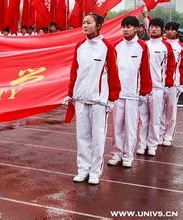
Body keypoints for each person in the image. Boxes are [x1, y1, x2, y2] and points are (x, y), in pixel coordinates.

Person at [64, 13, 120, 185]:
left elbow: (113, 75)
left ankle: (95, 172)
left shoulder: (107, 47)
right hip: (81, 99)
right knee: (82, 138)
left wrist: (112, 99)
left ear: (98, 25)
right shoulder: (80, 46)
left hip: (98, 102)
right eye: (83, 23)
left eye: (89, 22)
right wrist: (71, 93)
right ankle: (82, 169)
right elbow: (75, 72)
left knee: (97, 138)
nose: (85, 25)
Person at [107, 16, 152, 168]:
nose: (125, 29)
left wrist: (145, 89)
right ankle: (117, 154)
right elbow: (111, 70)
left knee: (131, 127)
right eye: (123, 26)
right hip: (118, 94)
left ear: (136, 28)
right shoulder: (116, 45)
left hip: (133, 94)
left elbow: (145, 69)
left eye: (129, 26)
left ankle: (128, 155)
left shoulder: (142, 46)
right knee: (117, 126)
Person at [137, 18, 176, 156]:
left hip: (158, 88)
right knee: (142, 118)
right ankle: (142, 144)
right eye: (151, 27)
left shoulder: (166, 46)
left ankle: (152, 144)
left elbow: (171, 67)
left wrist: (168, 84)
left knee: (155, 118)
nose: (153, 29)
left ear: (161, 30)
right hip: (143, 89)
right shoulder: (143, 45)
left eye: (156, 27)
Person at [162, 21, 182, 146]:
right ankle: (160, 134)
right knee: (159, 111)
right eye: (167, 29)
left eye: (172, 30)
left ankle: (168, 136)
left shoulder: (180, 46)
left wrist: (180, 83)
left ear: (176, 31)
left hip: (174, 83)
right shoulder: (162, 44)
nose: (169, 32)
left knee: (171, 109)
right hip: (160, 83)